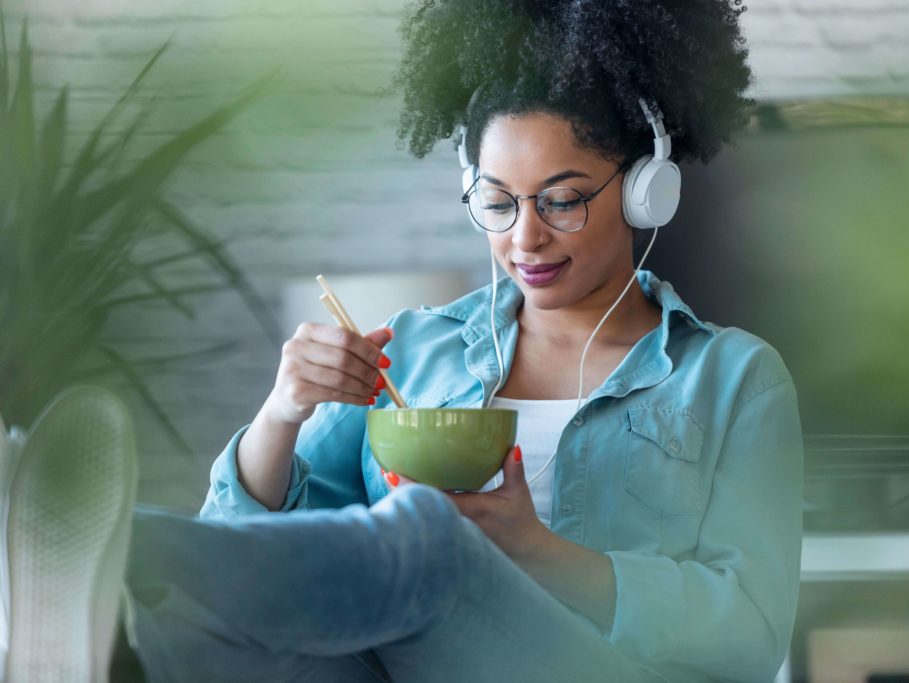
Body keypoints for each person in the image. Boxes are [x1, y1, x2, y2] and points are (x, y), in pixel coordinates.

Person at [3, 1, 803, 682]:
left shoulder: (732, 377)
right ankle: (105, 632)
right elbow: (252, 547)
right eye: (496, 201)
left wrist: (537, 551)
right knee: (274, 633)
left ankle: (114, 556)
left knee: (428, 540)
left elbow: (752, 629)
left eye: (560, 200)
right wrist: (283, 413)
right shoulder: (419, 347)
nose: (524, 236)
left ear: (643, 188)